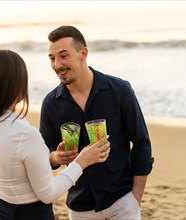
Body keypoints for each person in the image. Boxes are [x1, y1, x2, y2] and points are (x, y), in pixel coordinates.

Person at [0, 49, 111, 220]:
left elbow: (3, 171)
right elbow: (48, 193)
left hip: (0, 210)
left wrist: (53, 159)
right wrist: (82, 161)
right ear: (15, 85)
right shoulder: (25, 134)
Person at [40, 25, 154, 220]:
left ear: (83, 53)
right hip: (80, 207)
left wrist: (135, 198)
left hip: (122, 200)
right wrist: (55, 158)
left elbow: (142, 142)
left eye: (63, 56)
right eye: (52, 58)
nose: (57, 64)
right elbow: (43, 153)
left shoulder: (119, 90)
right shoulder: (51, 103)